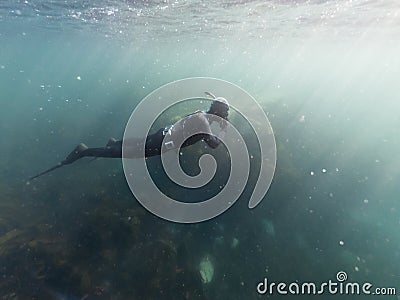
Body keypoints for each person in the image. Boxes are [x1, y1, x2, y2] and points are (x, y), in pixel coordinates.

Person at [29, 92, 230, 180]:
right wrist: (224, 129)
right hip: (162, 143)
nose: (225, 116)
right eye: (225, 113)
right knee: (126, 154)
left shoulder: (201, 113)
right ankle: (83, 151)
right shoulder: (204, 121)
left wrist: (218, 118)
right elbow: (212, 144)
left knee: (131, 145)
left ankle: (114, 142)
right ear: (219, 111)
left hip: (162, 135)